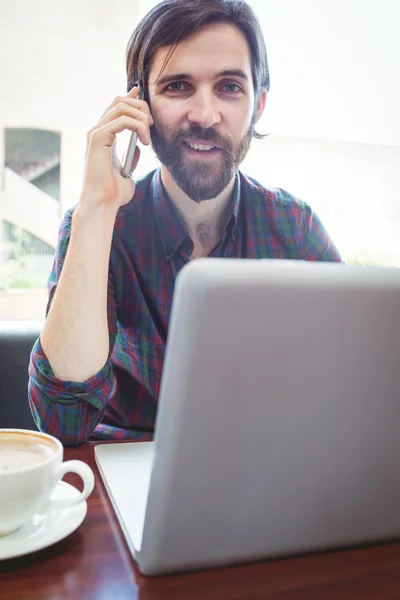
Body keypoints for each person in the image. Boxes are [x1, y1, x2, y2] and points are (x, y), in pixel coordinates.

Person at [28, 0, 342, 445]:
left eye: (230, 87)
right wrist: (96, 206)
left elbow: (345, 394)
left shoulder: (295, 228)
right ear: (140, 104)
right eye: (178, 86)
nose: (205, 114)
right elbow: (62, 423)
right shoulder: (101, 224)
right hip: (124, 475)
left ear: (259, 105)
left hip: (258, 474)